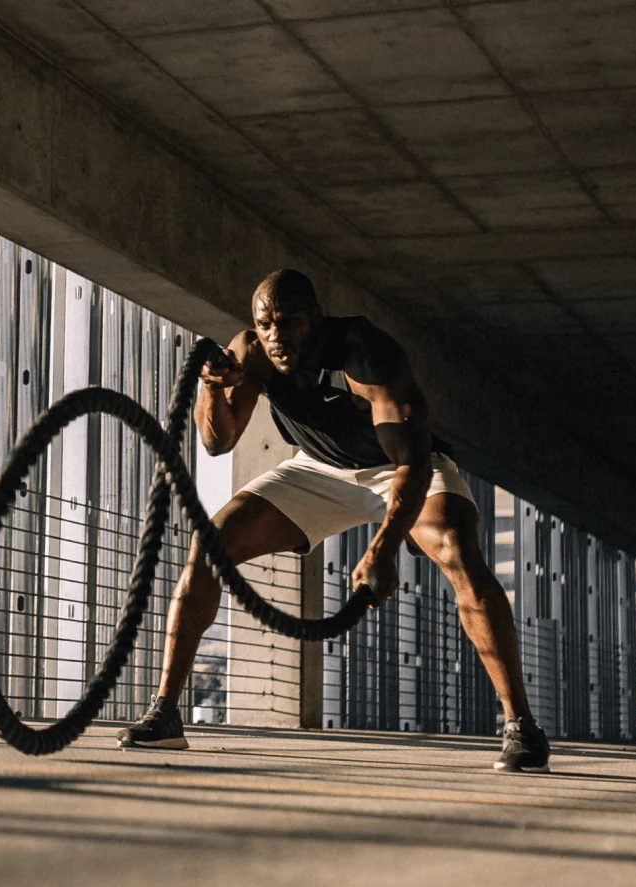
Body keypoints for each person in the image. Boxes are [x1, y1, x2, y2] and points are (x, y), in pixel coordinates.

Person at [118, 269, 550, 773]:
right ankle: (166, 713)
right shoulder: (253, 351)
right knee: (210, 545)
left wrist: (384, 549)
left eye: (288, 322)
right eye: (265, 324)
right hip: (318, 468)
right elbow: (218, 442)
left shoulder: (368, 354)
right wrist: (212, 388)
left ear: (315, 320)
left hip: (401, 468)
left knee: (458, 549)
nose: (276, 336)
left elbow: (410, 462)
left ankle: (521, 726)